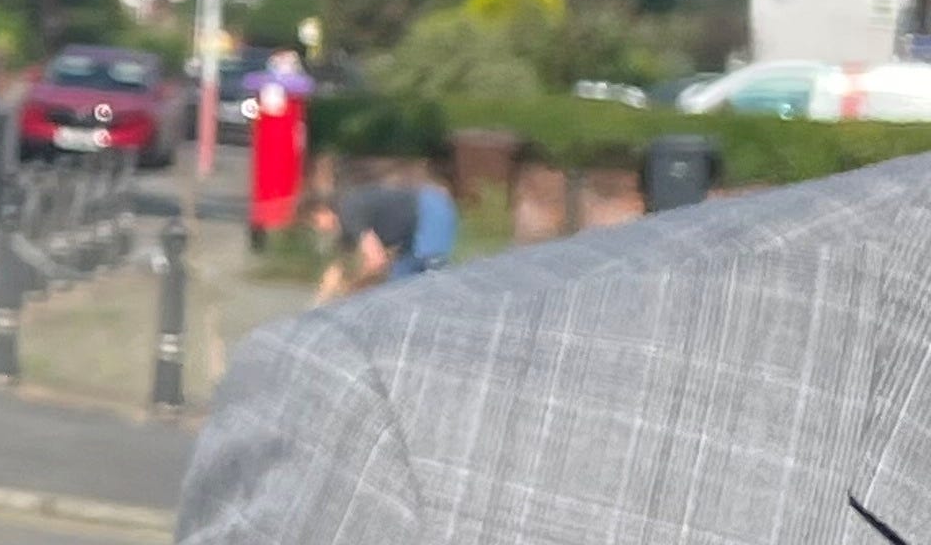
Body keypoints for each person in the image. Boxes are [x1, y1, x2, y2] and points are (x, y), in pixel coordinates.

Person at [181, 154, 931, 540]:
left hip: (430, 220)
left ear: (319, 216)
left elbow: (376, 262)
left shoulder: (357, 216)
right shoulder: (373, 409)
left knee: (413, 277)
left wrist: (337, 290)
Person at [303, 181, 452, 303]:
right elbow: (338, 268)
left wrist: (352, 288)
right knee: (398, 289)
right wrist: (318, 304)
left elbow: (377, 261)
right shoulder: (346, 230)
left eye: (316, 222)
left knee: (433, 275)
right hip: (409, 235)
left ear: (323, 210)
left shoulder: (350, 213)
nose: (318, 229)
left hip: (428, 211)